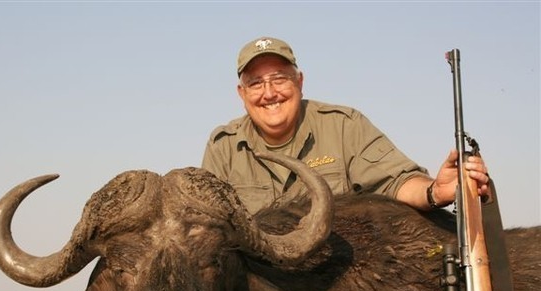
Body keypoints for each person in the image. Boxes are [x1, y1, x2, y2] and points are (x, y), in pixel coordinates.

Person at [202, 36, 489, 215]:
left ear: (299, 82)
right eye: (256, 84)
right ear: (242, 94)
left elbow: (394, 182)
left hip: (338, 284)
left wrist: (435, 192)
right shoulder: (223, 145)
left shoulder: (343, 125)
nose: (269, 93)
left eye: (279, 79)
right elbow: (207, 225)